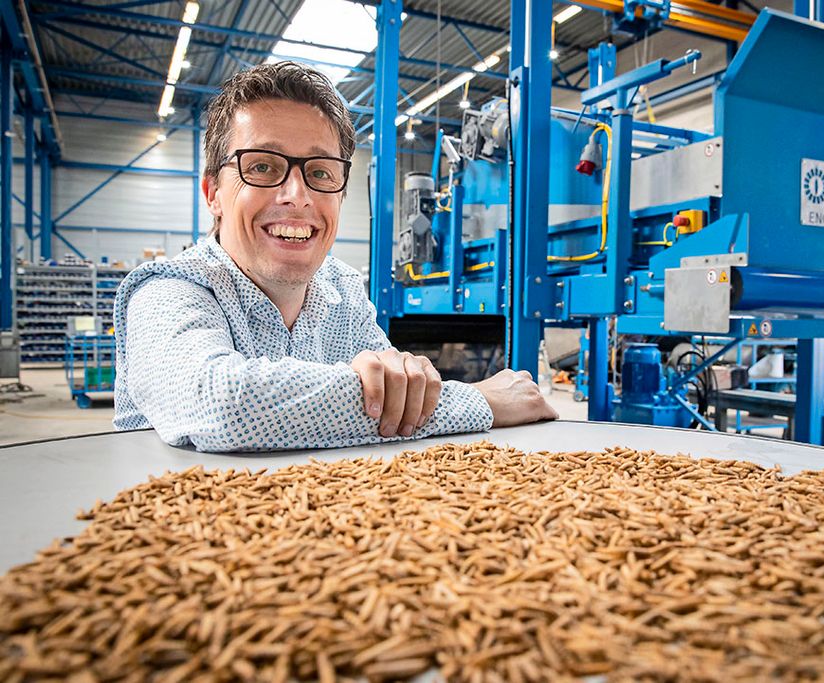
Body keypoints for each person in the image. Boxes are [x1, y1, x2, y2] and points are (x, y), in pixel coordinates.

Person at [112, 61, 557, 452]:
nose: (297, 196)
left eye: (320, 171)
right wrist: (479, 401)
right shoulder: (165, 291)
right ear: (213, 192)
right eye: (263, 166)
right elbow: (226, 403)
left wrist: (407, 388)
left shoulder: (342, 290)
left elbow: (399, 402)